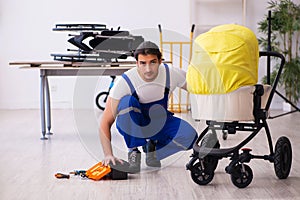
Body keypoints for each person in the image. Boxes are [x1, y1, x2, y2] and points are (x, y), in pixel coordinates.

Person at [99, 41, 198, 173]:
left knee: (190, 137)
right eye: (143, 63)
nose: (148, 69)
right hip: (135, 123)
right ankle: (133, 150)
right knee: (127, 102)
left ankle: (154, 152)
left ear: (160, 61)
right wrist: (108, 155)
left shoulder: (171, 74)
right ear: (137, 63)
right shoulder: (125, 81)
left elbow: (198, 88)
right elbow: (105, 121)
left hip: (160, 121)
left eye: (153, 62)